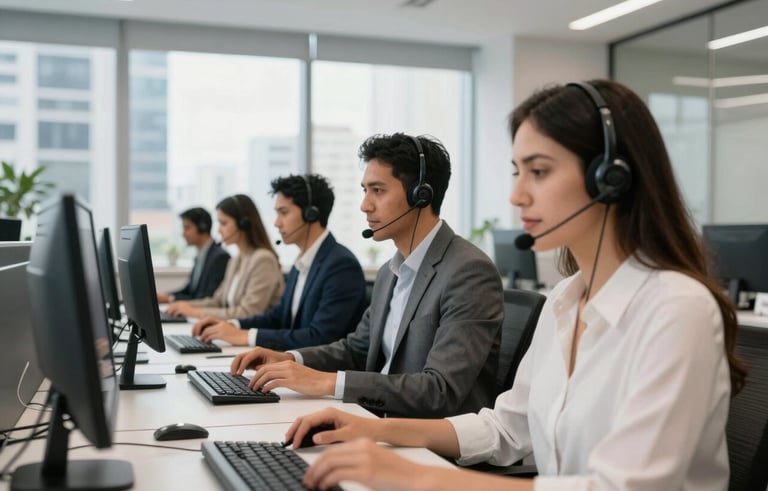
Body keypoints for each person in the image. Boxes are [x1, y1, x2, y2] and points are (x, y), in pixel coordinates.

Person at [287, 80, 748, 491]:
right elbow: (507, 431)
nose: (516, 195)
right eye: (516, 172)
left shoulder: (676, 309)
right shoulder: (565, 301)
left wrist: (418, 477)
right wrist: (373, 430)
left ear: (611, 179)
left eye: (540, 171)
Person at [230, 133, 503, 418]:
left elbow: (439, 390)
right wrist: (290, 358)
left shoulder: (468, 271)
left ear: (421, 195)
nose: (365, 205)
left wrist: (327, 381)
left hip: (427, 443)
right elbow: (356, 350)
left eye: (378, 190)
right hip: (373, 418)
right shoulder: (391, 272)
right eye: (364, 190)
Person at [191, 174, 367, 349]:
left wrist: (247, 336)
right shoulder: (302, 262)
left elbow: (320, 337)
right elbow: (277, 317)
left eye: (283, 212)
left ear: (311, 214)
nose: (276, 223)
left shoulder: (340, 265)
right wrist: (234, 325)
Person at [165, 194, 284, 319]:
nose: (218, 231)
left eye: (223, 223)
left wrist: (194, 312)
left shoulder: (263, 259)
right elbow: (217, 302)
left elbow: (248, 312)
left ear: (243, 224)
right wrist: (183, 305)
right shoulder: (236, 260)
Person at [157, 207, 230, 304]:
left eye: (187, 228)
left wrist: (170, 299)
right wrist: (166, 296)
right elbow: (190, 290)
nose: (183, 233)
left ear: (202, 227)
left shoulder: (220, 257)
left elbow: (208, 298)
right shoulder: (200, 256)